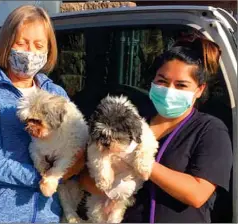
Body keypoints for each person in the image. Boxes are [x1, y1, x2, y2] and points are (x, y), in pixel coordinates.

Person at [79, 35, 233, 223]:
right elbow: (86, 179)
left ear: (199, 90)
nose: (169, 90)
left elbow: (197, 193)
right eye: (162, 81)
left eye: (181, 85)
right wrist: (111, 187)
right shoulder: (131, 121)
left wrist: (143, 163)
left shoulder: (210, 130)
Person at [0, 5, 84, 223]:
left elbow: (75, 147)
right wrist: (49, 176)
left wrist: (74, 165)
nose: (30, 52)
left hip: (49, 215)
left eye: (39, 45)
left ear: (49, 49)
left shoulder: (56, 93)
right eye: (22, 43)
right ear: (7, 43)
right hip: (1, 215)